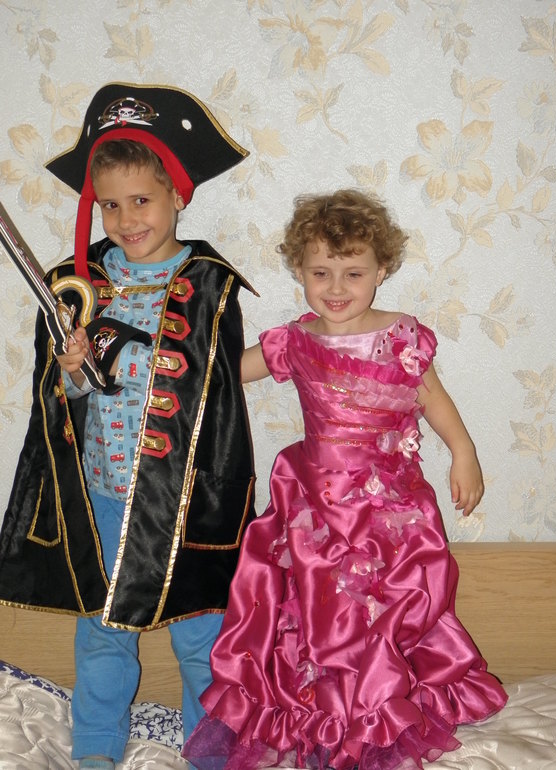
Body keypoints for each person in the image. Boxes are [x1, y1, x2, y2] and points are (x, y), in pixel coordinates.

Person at [182, 189, 508, 770]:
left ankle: (382, 711)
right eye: (320, 273)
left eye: (353, 273)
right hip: (314, 505)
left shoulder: (402, 337)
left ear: (381, 271)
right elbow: (224, 371)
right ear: (300, 273)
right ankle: (321, 719)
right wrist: (179, 352)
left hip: (388, 513)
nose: (336, 287)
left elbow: (431, 398)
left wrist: (464, 452)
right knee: (315, 614)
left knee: (383, 611)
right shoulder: (295, 340)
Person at [0, 83, 257, 769]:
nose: (124, 218)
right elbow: (63, 400)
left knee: (202, 638)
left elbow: (217, 391)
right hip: (102, 493)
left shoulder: (209, 284)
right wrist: (74, 368)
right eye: (109, 205)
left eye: (141, 200)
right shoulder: (76, 283)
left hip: (186, 502)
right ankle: (95, 750)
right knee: (102, 634)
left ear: (177, 196)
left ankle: (211, 752)